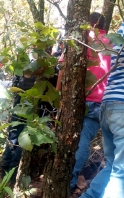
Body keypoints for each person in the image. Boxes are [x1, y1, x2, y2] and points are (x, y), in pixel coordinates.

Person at [56, 12, 111, 193]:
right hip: (105, 101)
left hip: (83, 99)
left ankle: (68, 183)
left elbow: (64, 68)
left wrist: (58, 97)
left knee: (79, 141)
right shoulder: (112, 42)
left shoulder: (80, 40)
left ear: (89, 23)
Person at [80, 22, 124, 198]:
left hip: (108, 105)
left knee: (114, 166)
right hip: (121, 107)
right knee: (121, 172)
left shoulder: (118, 35)